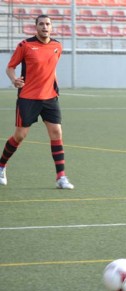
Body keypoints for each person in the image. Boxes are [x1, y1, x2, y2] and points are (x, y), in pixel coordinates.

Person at [0, 14, 74, 189]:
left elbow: (51, 69)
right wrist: (14, 80)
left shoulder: (57, 46)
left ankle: (61, 177)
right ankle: (1, 166)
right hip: (28, 98)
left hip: (50, 98)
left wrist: (55, 87)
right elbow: (10, 67)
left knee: (56, 133)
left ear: (51, 26)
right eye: (41, 24)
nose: (45, 27)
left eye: (48, 24)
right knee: (20, 136)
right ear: (36, 27)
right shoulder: (25, 45)